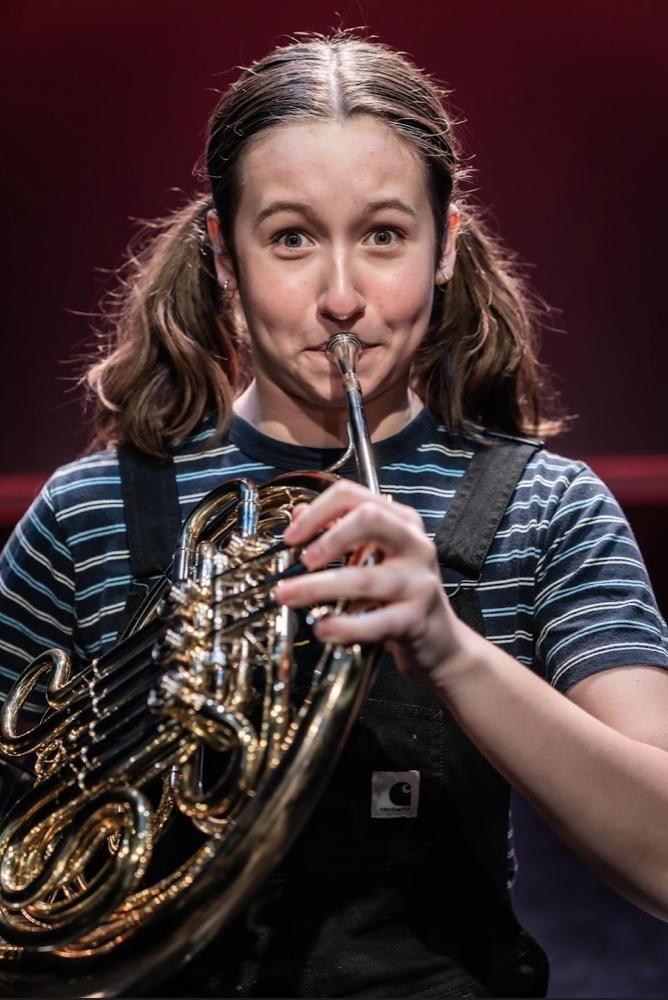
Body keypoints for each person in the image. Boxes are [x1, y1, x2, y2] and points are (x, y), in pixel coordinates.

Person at [1, 30, 668, 999]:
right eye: (291, 239)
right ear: (223, 257)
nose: (342, 298)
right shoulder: (86, 513)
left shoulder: (546, 509)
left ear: (444, 249)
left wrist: (450, 651)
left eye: (384, 236)